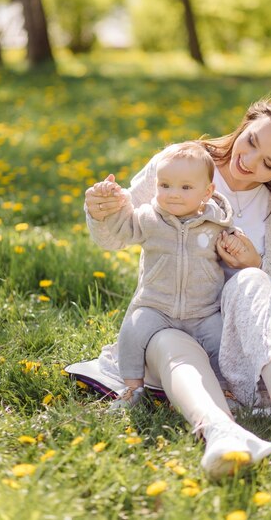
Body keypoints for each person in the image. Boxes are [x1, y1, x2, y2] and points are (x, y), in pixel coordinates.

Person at [81, 97, 271, 479]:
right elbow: (122, 228)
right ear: (247, 121)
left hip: (245, 351)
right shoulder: (182, 163)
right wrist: (101, 210)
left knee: (249, 280)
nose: (249, 161)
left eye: (269, 164)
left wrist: (257, 266)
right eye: (252, 141)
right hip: (170, 332)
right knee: (166, 334)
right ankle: (220, 432)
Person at [88, 141, 246, 409]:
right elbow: (122, 229)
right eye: (165, 185)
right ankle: (131, 389)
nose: (173, 194)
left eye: (185, 187)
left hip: (203, 310)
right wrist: (111, 207)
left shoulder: (217, 223)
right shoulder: (149, 219)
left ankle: (225, 391)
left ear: (207, 192)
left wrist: (236, 243)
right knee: (131, 331)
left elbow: (234, 246)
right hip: (156, 305)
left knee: (223, 343)